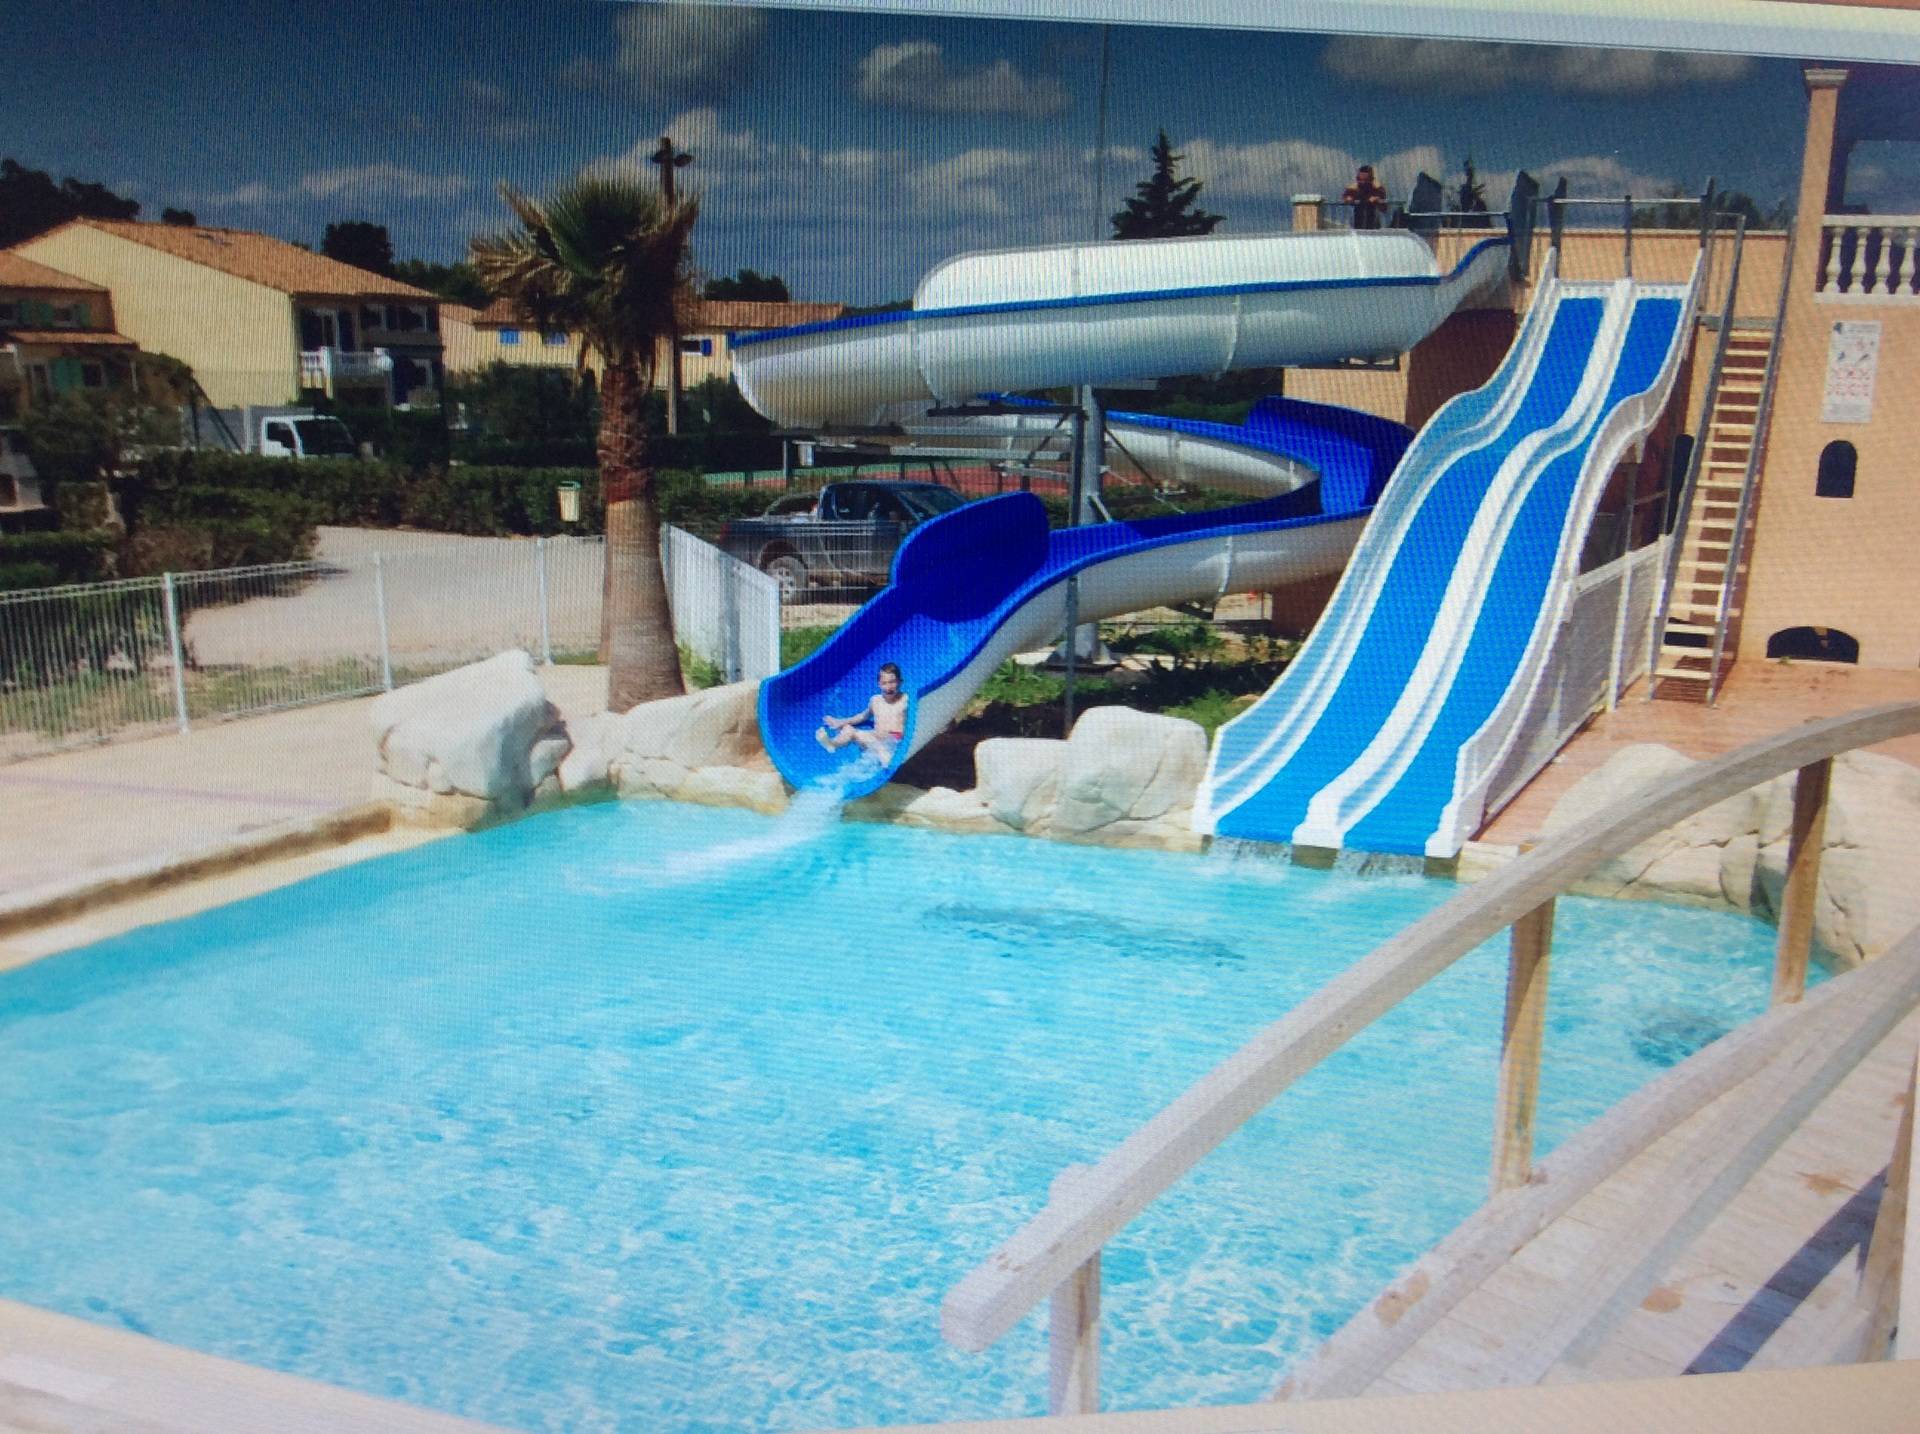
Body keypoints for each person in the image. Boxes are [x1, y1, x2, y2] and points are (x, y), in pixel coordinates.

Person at [817, 662, 909, 763]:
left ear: (900, 682)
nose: (888, 687)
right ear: (879, 684)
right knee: (848, 730)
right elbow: (862, 716)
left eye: (892, 682)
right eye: (884, 683)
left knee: (876, 744)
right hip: (875, 738)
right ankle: (832, 744)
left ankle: (885, 758)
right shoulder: (875, 701)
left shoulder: (905, 700)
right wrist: (841, 722)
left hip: (894, 743)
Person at [1342, 164, 1388, 230]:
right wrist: (1348, 198)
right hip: (1358, 219)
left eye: (1365, 179)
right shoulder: (1354, 187)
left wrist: (1377, 199)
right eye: (1360, 179)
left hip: (1373, 219)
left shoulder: (1377, 187)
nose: (1362, 182)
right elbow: (1346, 197)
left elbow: (1384, 207)